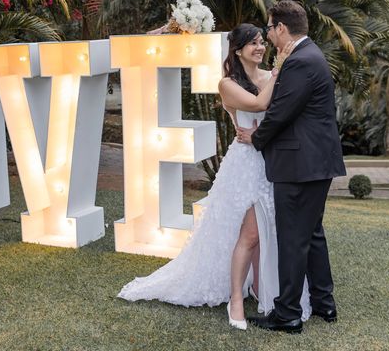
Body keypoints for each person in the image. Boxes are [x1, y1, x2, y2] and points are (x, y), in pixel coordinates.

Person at [118, 23, 306, 331]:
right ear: (238, 49)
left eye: (262, 42)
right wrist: (278, 72)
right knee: (250, 235)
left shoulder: (270, 76)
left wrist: (275, 80)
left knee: (267, 229)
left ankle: (261, 290)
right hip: (246, 165)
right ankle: (235, 299)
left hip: (272, 162)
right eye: (253, 43)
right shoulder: (228, 84)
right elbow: (259, 104)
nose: (260, 47)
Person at [236, 1, 346, 334]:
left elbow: (282, 112)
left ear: (281, 28)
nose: (267, 36)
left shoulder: (300, 61)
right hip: (315, 162)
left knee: (293, 238)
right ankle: (324, 304)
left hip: (299, 165)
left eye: (269, 29)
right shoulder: (311, 55)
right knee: (311, 234)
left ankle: (287, 314)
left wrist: (256, 138)